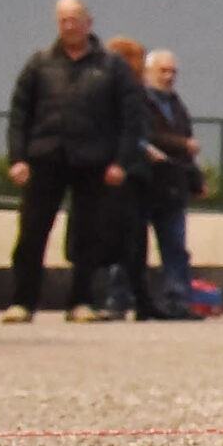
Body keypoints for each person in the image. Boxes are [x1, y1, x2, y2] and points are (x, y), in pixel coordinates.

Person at [4, 0, 141, 324]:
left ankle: (80, 301)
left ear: (88, 23)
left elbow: (131, 118)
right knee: (32, 233)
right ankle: (22, 302)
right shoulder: (39, 63)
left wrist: (121, 161)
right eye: (63, 20)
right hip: (45, 158)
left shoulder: (112, 66)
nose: (69, 26)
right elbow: (19, 114)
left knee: (89, 235)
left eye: (75, 19)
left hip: (93, 162)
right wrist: (17, 158)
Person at [139, 50, 203, 317]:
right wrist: (181, 145)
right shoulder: (140, 103)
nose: (169, 77)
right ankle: (127, 300)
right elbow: (145, 135)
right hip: (144, 185)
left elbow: (187, 147)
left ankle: (178, 301)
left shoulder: (177, 105)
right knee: (132, 247)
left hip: (173, 187)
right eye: (163, 71)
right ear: (147, 73)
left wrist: (196, 181)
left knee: (175, 247)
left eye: (172, 72)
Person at [98, 35, 155, 321]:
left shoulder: (134, 92)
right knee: (128, 239)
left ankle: (131, 298)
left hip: (131, 173)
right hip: (127, 173)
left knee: (132, 238)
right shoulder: (127, 93)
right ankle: (121, 298)